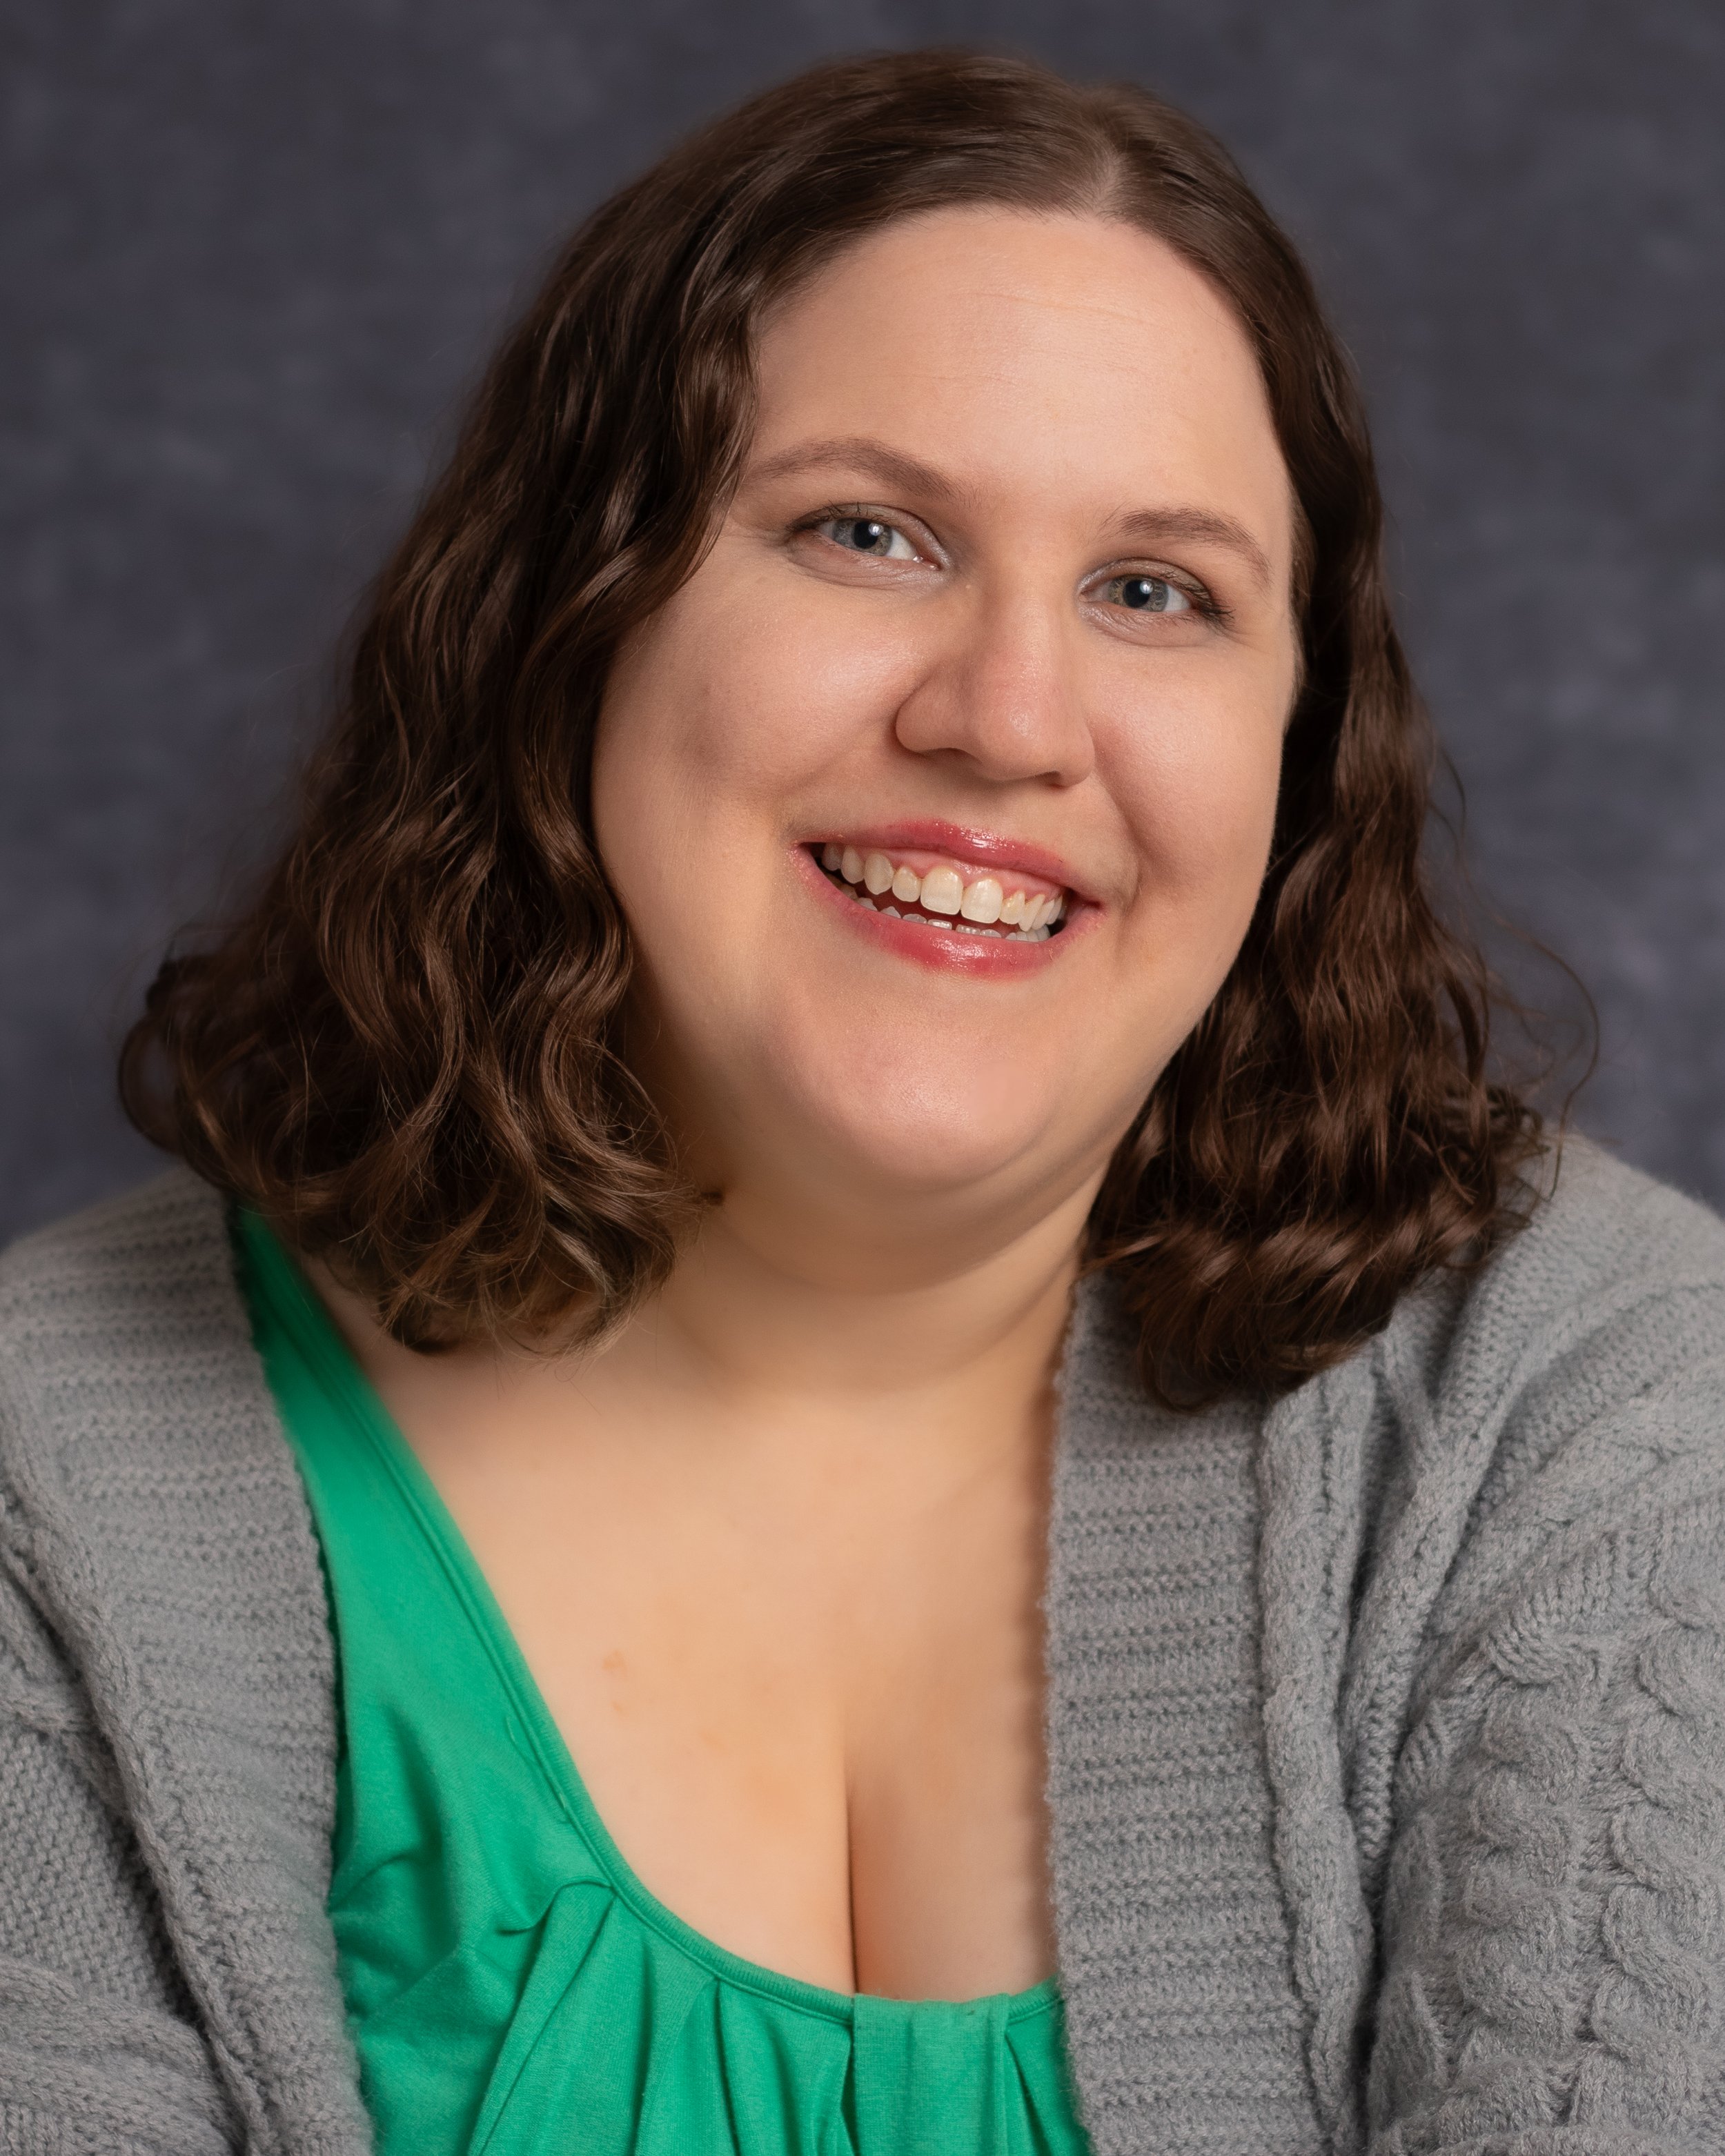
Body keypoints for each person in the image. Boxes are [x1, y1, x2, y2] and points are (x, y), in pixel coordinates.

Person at [3, 44, 1722, 2156]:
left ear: (1297, 751)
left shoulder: (1588, 1415)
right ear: (567, 620)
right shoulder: (50, 1495)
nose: (1008, 718)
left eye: (1153, 591)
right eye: (868, 532)